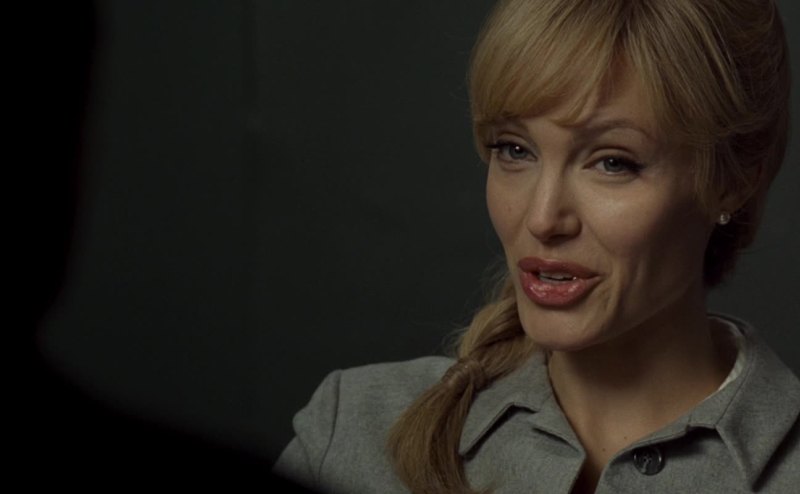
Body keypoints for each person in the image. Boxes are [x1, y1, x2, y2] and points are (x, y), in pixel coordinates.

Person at [273, 0, 799, 492]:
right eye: (514, 150)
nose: (542, 218)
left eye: (612, 162)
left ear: (734, 180)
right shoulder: (351, 433)